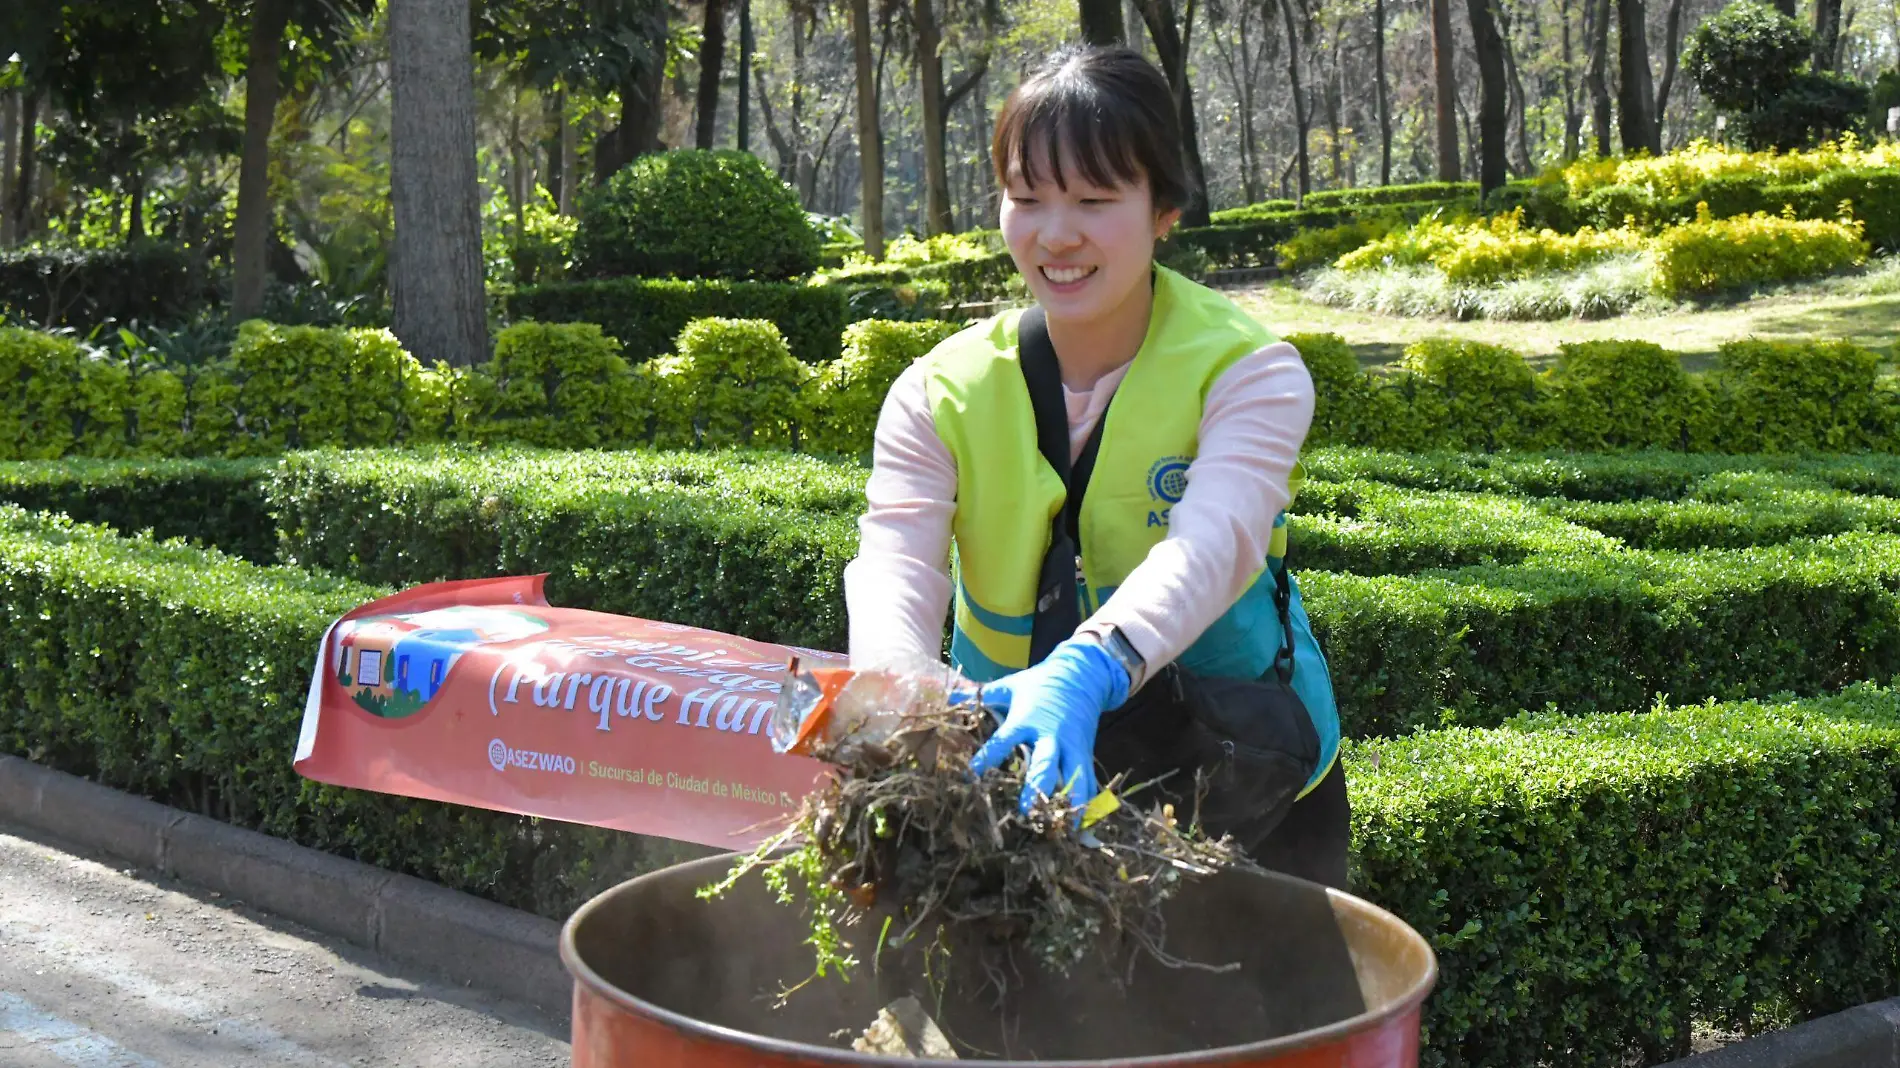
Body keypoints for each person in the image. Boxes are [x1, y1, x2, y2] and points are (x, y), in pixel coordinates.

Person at [841, 44, 1347, 890]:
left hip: (1234, 775)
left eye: (1094, 199)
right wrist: (901, 688)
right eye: (1026, 198)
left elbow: (1216, 539)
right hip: (1013, 778)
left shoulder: (1250, 370)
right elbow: (895, 555)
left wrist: (1091, 665)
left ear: (1164, 211)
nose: (1055, 234)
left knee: (1267, 1011)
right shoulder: (938, 391)